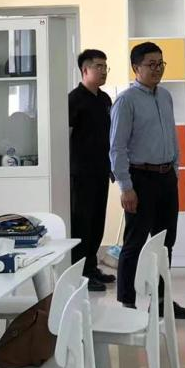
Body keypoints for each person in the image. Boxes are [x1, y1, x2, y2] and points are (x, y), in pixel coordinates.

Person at [109, 41, 185, 318]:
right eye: (151, 64)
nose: (157, 69)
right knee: (134, 243)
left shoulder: (165, 96)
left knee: (165, 243)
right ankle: (127, 304)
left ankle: (161, 302)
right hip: (140, 179)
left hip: (166, 178)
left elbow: (172, 136)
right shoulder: (126, 101)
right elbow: (117, 148)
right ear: (136, 68)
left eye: (160, 64)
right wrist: (126, 187)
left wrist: (175, 170)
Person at [69, 48, 115, 292]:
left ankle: (92, 267)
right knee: (82, 224)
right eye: (99, 66)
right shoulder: (73, 100)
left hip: (101, 170)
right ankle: (81, 274)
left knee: (98, 222)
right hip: (80, 173)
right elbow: (65, 137)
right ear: (85, 70)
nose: (103, 71)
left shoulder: (105, 99)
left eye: (105, 67)